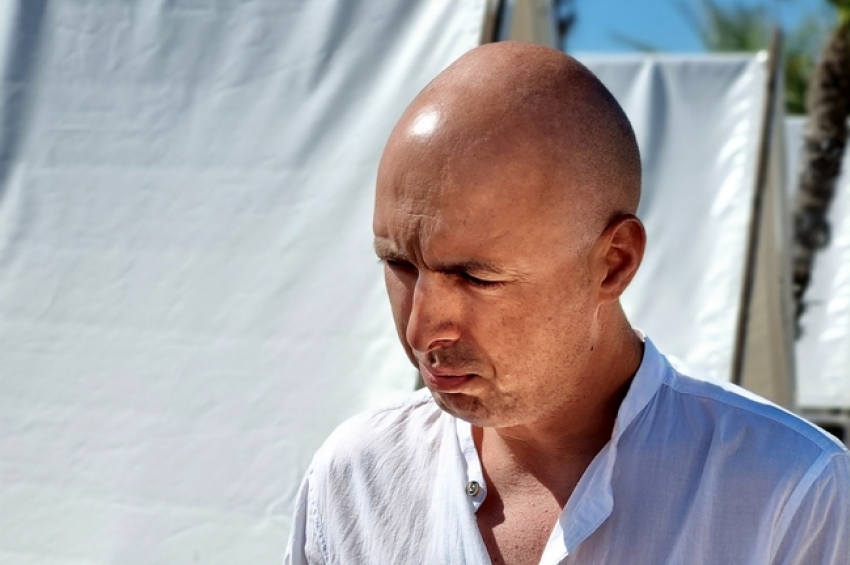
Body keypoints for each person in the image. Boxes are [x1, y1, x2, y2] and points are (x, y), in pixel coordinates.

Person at [285, 42, 850, 565]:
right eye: (399, 264)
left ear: (613, 263)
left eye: (475, 277)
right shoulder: (355, 480)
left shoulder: (792, 493)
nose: (420, 329)